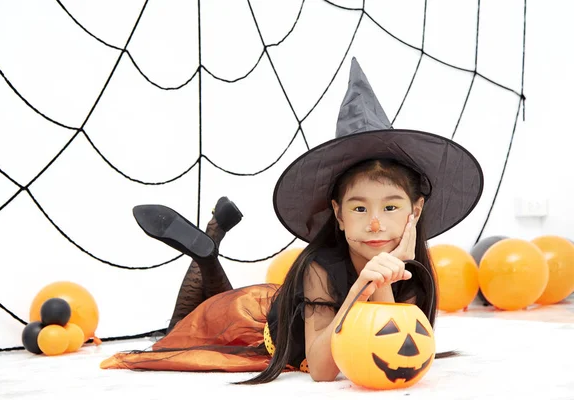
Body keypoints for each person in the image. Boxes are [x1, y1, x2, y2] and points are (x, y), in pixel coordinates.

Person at [100, 58, 484, 384]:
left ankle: (210, 247)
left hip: (284, 305)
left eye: (391, 207)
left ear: (415, 211)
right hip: (255, 321)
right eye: (360, 208)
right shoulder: (318, 267)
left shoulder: (414, 272)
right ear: (338, 214)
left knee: (201, 309)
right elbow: (320, 369)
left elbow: (386, 338)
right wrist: (360, 289)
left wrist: (386, 276)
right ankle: (207, 254)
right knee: (179, 333)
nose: (374, 224)